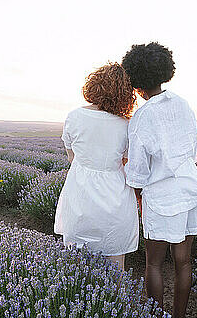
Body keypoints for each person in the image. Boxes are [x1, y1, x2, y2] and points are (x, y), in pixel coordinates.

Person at [122, 42, 197, 318]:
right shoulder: (183, 105)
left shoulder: (142, 116)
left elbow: (137, 171)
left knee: (154, 264)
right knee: (183, 262)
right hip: (191, 189)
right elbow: (194, 152)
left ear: (135, 81)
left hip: (162, 197)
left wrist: (137, 194)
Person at [54, 63, 139, 270]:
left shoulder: (74, 116)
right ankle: (117, 303)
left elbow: (72, 158)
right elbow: (127, 162)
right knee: (116, 265)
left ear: (95, 85)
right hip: (115, 196)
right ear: (125, 93)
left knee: (75, 265)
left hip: (80, 195)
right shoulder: (126, 124)